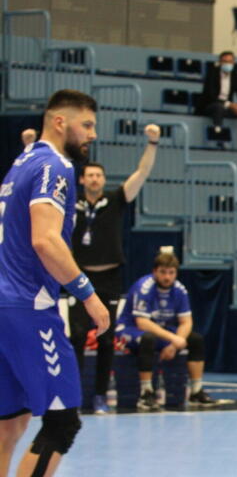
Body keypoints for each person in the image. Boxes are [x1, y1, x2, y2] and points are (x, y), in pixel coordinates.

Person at [0, 90, 103, 477]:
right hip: (30, 308)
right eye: (87, 126)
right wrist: (87, 294)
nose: (92, 135)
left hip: (4, 303)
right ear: (60, 122)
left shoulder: (23, 161)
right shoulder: (55, 168)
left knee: (10, 423)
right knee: (62, 420)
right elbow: (44, 239)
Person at [69, 124, 160, 414]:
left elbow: (141, 174)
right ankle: (72, 397)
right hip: (79, 277)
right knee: (78, 336)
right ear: (82, 179)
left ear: (104, 180)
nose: (95, 179)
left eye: (99, 175)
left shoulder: (116, 200)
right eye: (90, 175)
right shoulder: (73, 203)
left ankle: (98, 396)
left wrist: (152, 144)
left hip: (109, 277)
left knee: (107, 337)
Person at [113, 249, 218, 411]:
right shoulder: (144, 287)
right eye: (163, 272)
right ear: (155, 271)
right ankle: (146, 393)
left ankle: (196, 390)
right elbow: (142, 323)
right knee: (148, 339)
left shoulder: (179, 290)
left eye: (171, 273)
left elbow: (186, 322)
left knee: (196, 339)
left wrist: (174, 345)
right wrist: (173, 338)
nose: (167, 277)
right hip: (130, 329)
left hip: (160, 330)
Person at [198, 51, 237, 151]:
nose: (227, 64)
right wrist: (230, 105)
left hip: (228, 106)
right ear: (220, 62)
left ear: (233, 63)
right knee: (218, 107)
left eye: (230, 62)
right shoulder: (212, 73)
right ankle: (219, 140)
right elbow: (211, 96)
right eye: (225, 61)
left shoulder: (235, 75)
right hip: (211, 106)